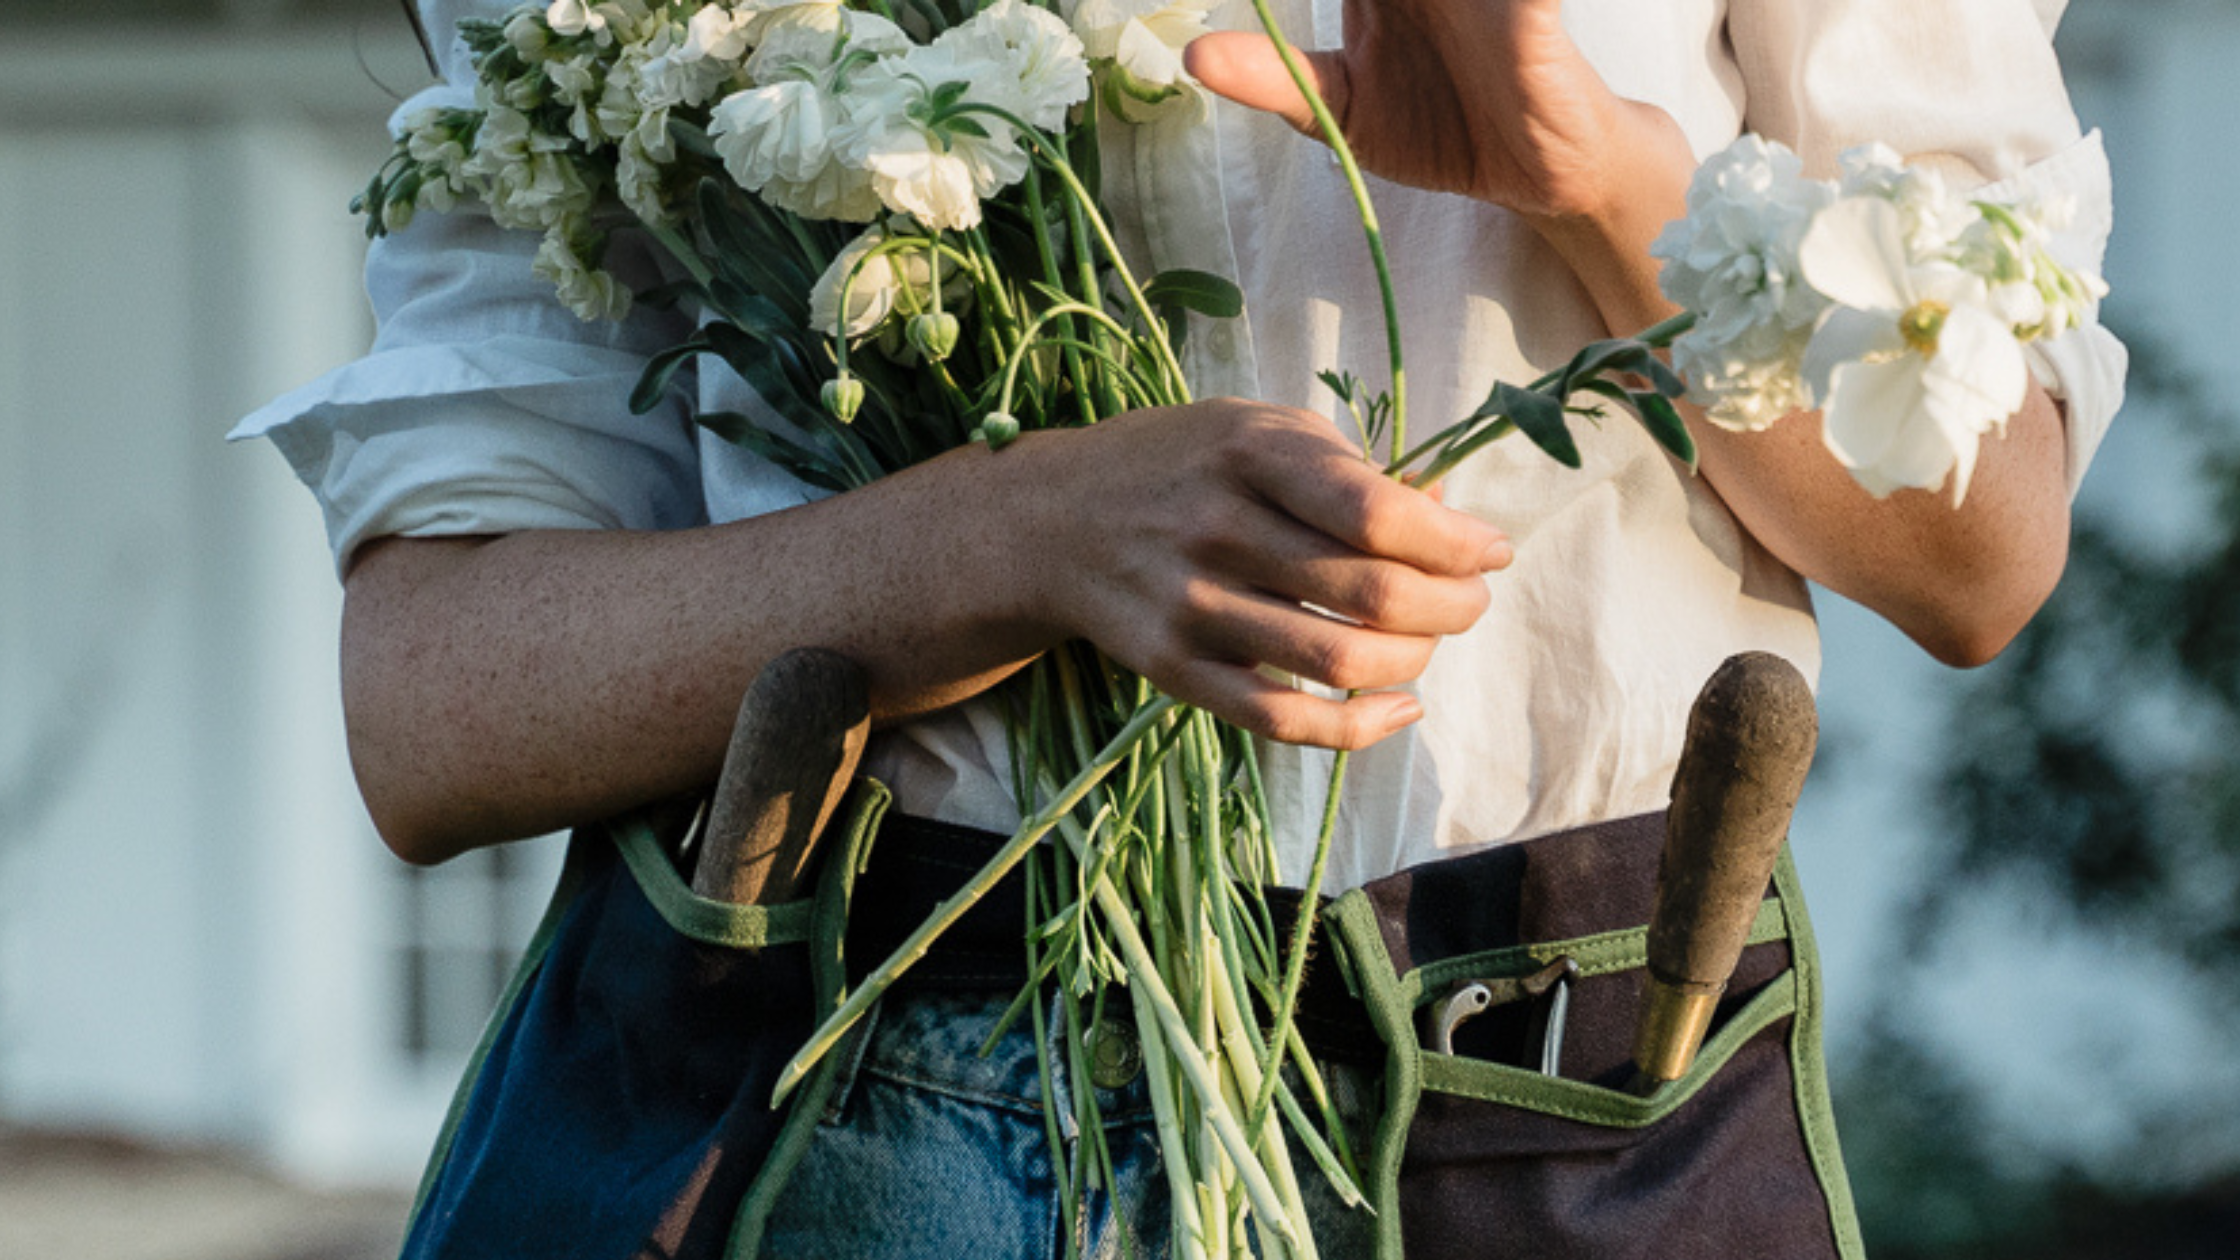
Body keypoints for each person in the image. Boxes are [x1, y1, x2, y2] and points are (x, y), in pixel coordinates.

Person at [236, 0, 2124, 1255]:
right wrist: (1004, 538)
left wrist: (1615, 181)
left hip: (1573, 1096)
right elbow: (433, 708)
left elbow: (1982, 562)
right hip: (880, 1085)